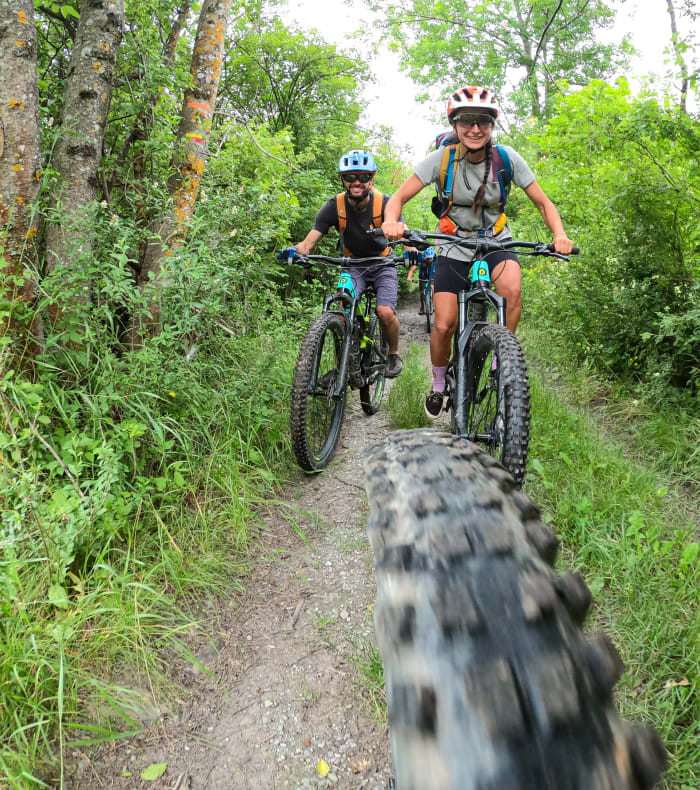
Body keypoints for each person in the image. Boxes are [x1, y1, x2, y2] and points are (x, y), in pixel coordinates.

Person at [381, 85, 575, 418]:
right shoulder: (441, 159)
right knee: (444, 325)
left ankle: (503, 358)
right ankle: (439, 382)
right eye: (467, 121)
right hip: (453, 243)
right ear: (455, 125)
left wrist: (560, 235)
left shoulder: (506, 158)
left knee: (512, 292)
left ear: (492, 125)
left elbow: (543, 203)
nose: (475, 128)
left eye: (483, 121)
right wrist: (390, 222)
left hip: (496, 239)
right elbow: (397, 199)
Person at [282, 149, 403, 378]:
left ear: (371, 179)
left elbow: (402, 233)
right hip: (353, 265)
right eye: (350, 177)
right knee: (339, 313)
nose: (357, 182)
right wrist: (294, 251)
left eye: (363, 177)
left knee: (385, 312)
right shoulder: (333, 206)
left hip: (382, 264)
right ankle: (343, 368)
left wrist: (413, 251)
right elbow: (309, 243)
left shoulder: (385, 203)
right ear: (342, 179)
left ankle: (393, 354)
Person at [406, 247, 436, 315]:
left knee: (432, 287)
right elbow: (412, 270)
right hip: (423, 275)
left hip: (432, 274)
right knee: (422, 293)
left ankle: (434, 305)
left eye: (431, 258)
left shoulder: (436, 260)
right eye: (428, 258)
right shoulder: (420, 259)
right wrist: (409, 277)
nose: (430, 259)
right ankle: (422, 307)